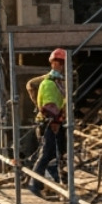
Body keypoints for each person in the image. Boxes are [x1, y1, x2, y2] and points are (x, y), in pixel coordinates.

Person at [30, 48, 67, 195]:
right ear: (55, 64)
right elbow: (49, 107)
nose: (64, 66)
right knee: (46, 155)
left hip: (55, 123)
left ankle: (57, 182)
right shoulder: (49, 84)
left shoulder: (57, 83)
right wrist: (55, 123)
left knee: (54, 154)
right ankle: (34, 185)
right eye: (62, 63)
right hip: (49, 124)